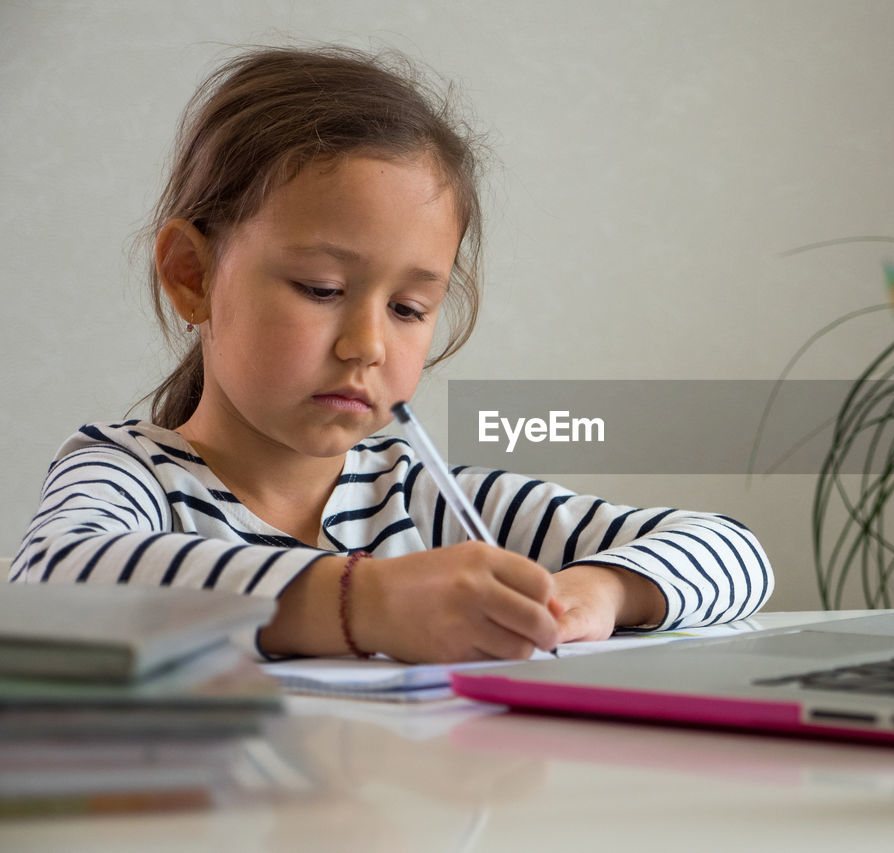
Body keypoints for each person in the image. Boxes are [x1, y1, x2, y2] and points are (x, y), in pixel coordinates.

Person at [9, 46, 772, 663]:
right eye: (320, 287)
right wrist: (363, 603)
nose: (367, 345)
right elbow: (49, 592)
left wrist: (597, 592)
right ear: (192, 275)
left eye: (409, 309)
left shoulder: (416, 496)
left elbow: (735, 552)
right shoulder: (130, 472)